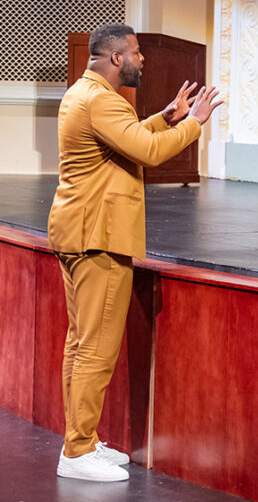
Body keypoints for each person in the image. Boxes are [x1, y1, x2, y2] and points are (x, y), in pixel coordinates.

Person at [48, 24, 222, 481]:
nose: (142, 60)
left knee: (80, 343)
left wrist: (164, 119)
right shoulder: (102, 99)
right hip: (99, 236)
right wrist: (192, 124)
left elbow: (123, 140)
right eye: (136, 53)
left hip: (76, 230)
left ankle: (79, 441)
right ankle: (79, 451)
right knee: (96, 351)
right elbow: (144, 152)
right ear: (113, 58)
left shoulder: (81, 94)